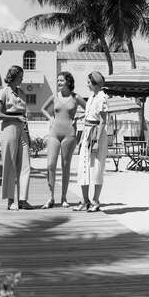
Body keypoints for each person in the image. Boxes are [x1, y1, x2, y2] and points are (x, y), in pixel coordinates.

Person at [40, 72, 86, 209]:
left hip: (69, 134)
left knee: (66, 166)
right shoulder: (54, 96)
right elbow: (43, 109)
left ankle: (64, 197)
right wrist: (50, 118)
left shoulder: (75, 97)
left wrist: (78, 118)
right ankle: (51, 197)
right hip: (54, 133)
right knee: (50, 165)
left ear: (68, 82)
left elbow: (89, 108)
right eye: (58, 80)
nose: (59, 83)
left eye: (61, 80)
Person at [0, 66, 33, 210]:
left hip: (22, 129)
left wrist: (28, 135)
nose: (22, 79)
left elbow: (25, 116)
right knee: (9, 164)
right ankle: (10, 201)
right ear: (13, 76)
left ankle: (23, 200)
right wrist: (15, 116)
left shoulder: (22, 93)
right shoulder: (3, 92)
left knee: (25, 165)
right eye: (20, 77)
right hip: (9, 128)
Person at [74, 71, 109, 212]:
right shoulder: (91, 97)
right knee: (83, 167)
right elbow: (90, 114)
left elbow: (102, 120)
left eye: (89, 82)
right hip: (87, 132)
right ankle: (85, 200)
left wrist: (96, 140)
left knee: (97, 168)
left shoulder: (102, 98)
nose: (87, 84)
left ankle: (95, 200)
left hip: (96, 134)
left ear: (95, 83)